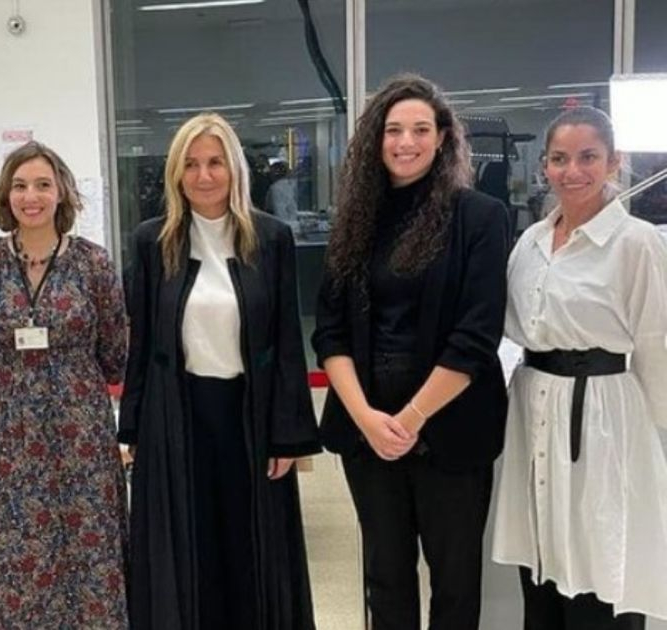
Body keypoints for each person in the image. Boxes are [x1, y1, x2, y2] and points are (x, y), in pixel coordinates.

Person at [311, 73, 509, 630]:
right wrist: (367, 419)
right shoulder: (355, 221)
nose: (406, 142)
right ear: (376, 139)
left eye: (421, 129)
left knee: (455, 585)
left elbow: (476, 336)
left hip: (452, 430)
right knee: (386, 580)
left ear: (443, 137)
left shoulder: (479, 217)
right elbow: (330, 332)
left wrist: (411, 418)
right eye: (393, 130)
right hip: (367, 433)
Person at [119, 112, 319, 630]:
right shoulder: (152, 242)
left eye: (214, 162)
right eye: (191, 164)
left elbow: (286, 342)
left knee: (250, 546)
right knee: (188, 546)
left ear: (234, 169)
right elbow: (141, 343)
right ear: (176, 173)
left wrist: (289, 436)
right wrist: (131, 427)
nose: (203, 176)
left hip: (248, 415)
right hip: (177, 413)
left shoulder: (271, 238)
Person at [492, 106, 667, 629]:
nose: (573, 171)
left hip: (603, 414)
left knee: (600, 553)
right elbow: (513, 330)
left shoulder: (636, 242)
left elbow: (656, 343)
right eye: (560, 159)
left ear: (613, 162)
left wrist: (656, 435)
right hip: (533, 404)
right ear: (544, 166)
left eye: (588, 157)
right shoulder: (530, 243)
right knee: (541, 556)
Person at [0, 141, 129, 628]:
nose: (31, 196)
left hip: (82, 437)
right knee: (17, 544)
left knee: (88, 543)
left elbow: (116, 355)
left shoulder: (94, 264)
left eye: (43, 185)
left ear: (62, 192)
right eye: (20, 185)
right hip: (11, 440)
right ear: (5, 195)